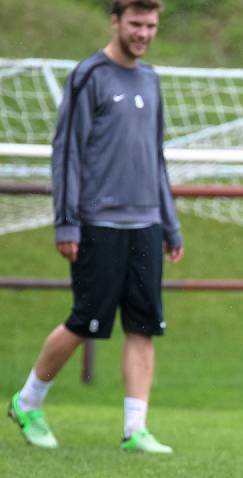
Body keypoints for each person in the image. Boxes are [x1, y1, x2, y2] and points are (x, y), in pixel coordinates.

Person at [7, 0, 183, 453]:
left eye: (151, 25)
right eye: (135, 24)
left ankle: (134, 430)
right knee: (84, 320)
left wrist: (169, 222)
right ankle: (28, 401)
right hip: (97, 223)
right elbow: (65, 154)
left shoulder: (151, 79)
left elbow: (156, 157)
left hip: (145, 223)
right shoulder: (89, 76)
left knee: (144, 325)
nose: (143, 33)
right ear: (116, 21)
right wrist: (66, 223)